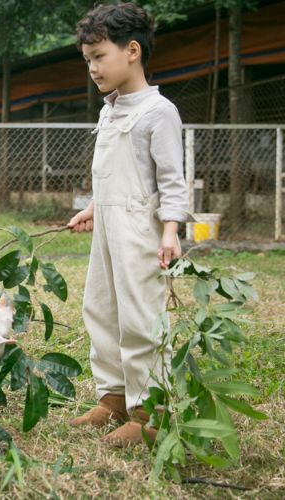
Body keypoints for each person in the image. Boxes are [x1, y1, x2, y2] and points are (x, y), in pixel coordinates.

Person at [66, 2, 191, 447]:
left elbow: (172, 181)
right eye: (88, 60)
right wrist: (95, 207)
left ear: (132, 51)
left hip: (141, 229)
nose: (93, 68)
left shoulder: (158, 112)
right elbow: (112, 174)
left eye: (99, 56)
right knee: (101, 307)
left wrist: (171, 231)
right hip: (107, 226)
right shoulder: (109, 110)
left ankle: (149, 411)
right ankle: (114, 397)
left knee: (140, 315)